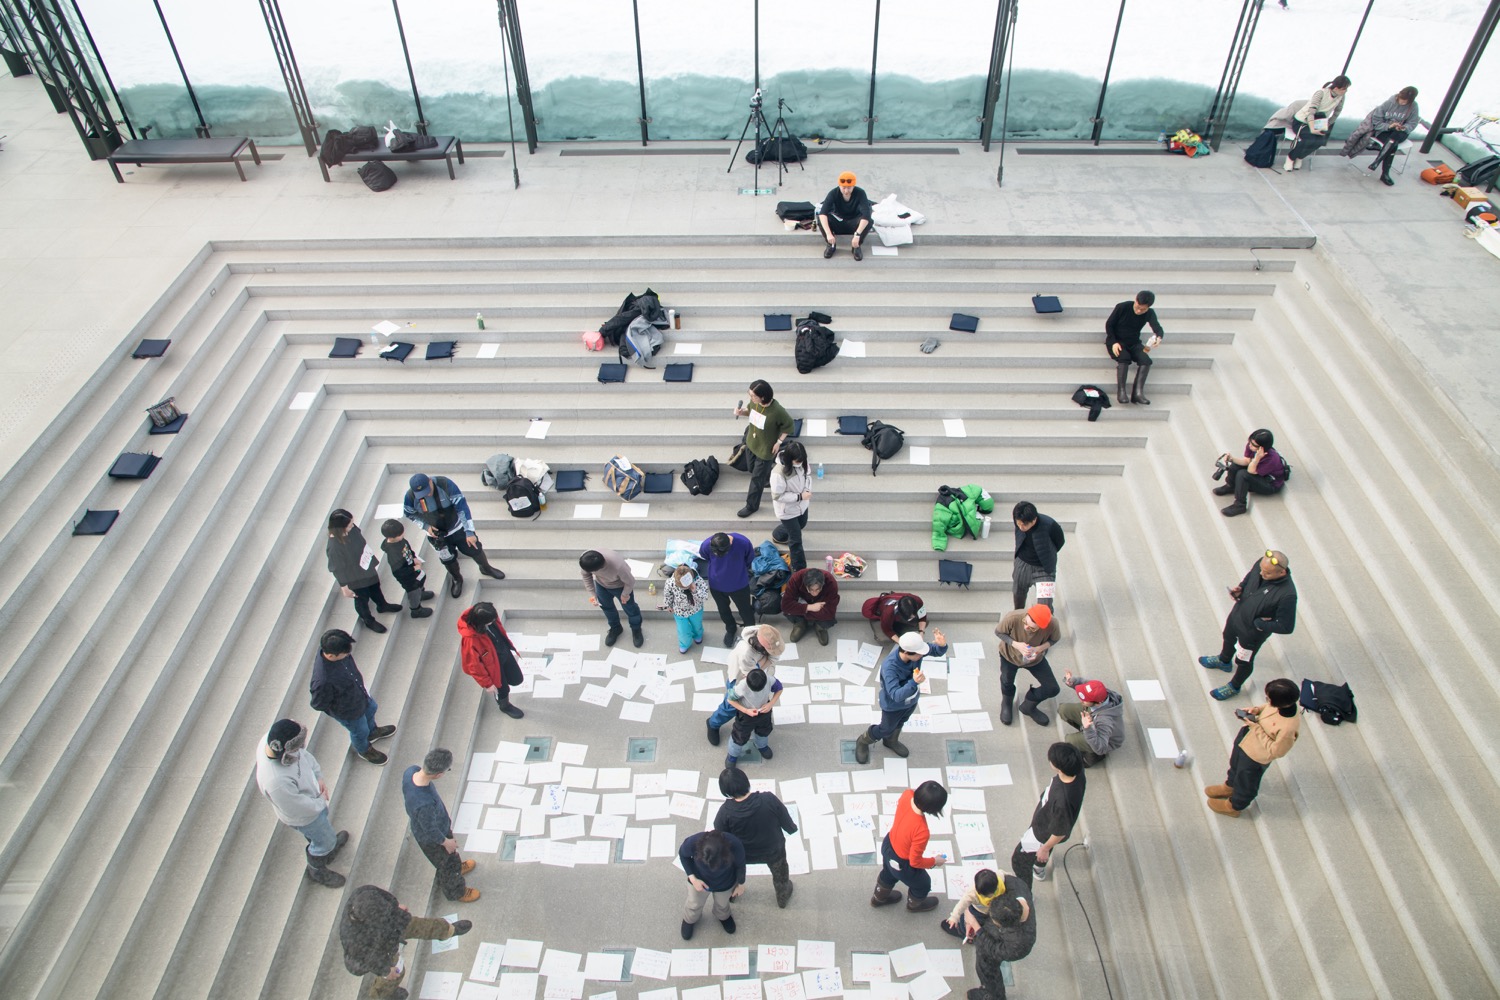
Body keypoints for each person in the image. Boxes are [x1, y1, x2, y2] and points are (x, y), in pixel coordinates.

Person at [254, 718, 349, 888]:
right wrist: (320, 803)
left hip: (313, 801)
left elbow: (304, 757)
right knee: (323, 839)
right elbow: (299, 807)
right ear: (284, 752)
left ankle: (326, 844)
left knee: (323, 834)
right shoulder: (276, 782)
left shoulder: (274, 742)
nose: (300, 750)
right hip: (306, 817)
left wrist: (318, 776)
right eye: (297, 748)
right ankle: (317, 867)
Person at [339, 884, 472, 1000]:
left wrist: (395, 907)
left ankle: (449, 930)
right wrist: (385, 970)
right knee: (396, 973)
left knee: (421, 925)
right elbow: (368, 959)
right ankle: (383, 995)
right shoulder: (353, 939)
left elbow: (386, 897)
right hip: (379, 949)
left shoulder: (364, 892)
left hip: (392, 923)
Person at [1199, 549, 1297, 700]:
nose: (1262, 574)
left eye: (1268, 573)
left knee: (1243, 661)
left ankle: (1234, 686)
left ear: (1282, 573)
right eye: (1262, 569)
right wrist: (1241, 588)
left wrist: (1260, 624)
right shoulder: (1261, 565)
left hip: (1252, 633)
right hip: (1237, 615)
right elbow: (1250, 576)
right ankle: (1224, 660)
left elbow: (1286, 627)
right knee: (1227, 636)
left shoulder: (1287, 595)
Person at [1206, 677, 1301, 816]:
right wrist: (1256, 710)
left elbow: (1277, 751)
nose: (1266, 700)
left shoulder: (1288, 728)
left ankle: (1234, 806)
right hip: (1246, 738)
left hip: (1256, 756)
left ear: (1280, 702)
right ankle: (1229, 786)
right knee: (1235, 764)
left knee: (1247, 781)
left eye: (1268, 698)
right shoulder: (1279, 705)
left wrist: (1256, 728)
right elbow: (1267, 707)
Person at [403, 472, 505, 599]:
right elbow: (409, 514)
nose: (426, 495)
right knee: (447, 558)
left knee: (475, 548)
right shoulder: (411, 497)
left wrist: (469, 531)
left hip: (457, 528)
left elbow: (462, 507)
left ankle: (486, 568)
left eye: (427, 491)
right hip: (437, 535)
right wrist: (426, 527)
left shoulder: (445, 485)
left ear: (430, 481)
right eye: (422, 494)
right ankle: (457, 579)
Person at [854, 629, 949, 765]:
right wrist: (914, 682)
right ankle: (863, 740)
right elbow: (896, 695)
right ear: (906, 652)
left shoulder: (916, 651)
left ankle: (891, 741)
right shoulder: (890, 667)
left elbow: (935, 651)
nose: (922, 656)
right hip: (893, 705)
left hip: (911, 699)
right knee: (886, 728)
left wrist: (942, 646)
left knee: (902, 721)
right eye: (919, 655)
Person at [402, 748, 480, 903]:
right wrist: (446, 842)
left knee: (451, 859)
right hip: (434, 840)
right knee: (447, 866)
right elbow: (430, 831)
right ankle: (456, 891)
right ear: (438, 774)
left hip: (439, 827)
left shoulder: (411, 771)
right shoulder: (423, 804)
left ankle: (456, 866)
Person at [714, 767, 798, 908]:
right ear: (746, 782)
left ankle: (733, 893)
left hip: (742, 854)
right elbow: (785, 819)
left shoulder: (725, 812)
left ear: (726, 791)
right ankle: (782, 897)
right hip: (773, 850)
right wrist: (791, 829)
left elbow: (721, 834)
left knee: (733, 874)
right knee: (780, 876)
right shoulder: (769, 799)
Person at [309, 629, 395, 765]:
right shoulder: (323, 680)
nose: (349, 654)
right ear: (331, 656)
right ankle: (364, 750)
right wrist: (342, 708)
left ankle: (373, 732)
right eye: (345, 654)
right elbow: (318, 703)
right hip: (349, 711)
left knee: (372, 709)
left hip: (360, 695)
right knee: (360, 731)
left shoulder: (337, 651)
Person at [1010, 742, 1085, 889]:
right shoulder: (1078, 772)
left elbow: (1059, 832)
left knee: (1019, 861)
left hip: (1043, 831)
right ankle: (1039, 866)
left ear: (1059, 767)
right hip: (1047, 818)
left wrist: (1044, 848)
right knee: (1043, 849)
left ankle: (1025, 894)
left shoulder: (1062, 802)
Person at [870, 780, 949, 912]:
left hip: (888, 846)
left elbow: (911, 791)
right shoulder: (921, 830)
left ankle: (878, 898)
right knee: (922, 884)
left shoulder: (907, 795)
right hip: (903, 863)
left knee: (888, 873)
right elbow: (915, 861)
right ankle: (915, 905)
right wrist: (935, 861)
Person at [706, 624, 784, 746]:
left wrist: (761, 663)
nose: (773, 653)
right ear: (761, 645)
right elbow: (752, 675)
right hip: (740, 678)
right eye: (770, 651)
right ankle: (713, 723)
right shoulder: (745, 652)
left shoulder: (770, 637)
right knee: (730, 707)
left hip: (759, 676)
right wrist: (764, 662)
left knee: (759, 701)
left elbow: (773, 659)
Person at [326, 509, 401, 634]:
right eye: (349, 524)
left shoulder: (351, 529)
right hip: (354, 577)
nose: (353, 525)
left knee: (375, 587)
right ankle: (368, 620)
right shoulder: (334, 547)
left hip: (366, 566)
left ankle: (382, 605)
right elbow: (337, 568)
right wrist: (344, 587)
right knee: (362, 598)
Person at [733, 380, 794, 518]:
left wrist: (779, 442)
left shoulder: (777, 411)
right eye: (750, 395)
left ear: (763, 397)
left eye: (753, 396)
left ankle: (751, 505)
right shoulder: (755, 402)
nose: (751, 398)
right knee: (750, 468)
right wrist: (741, 412)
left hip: (766, 450)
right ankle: (766, 478)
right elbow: (750, 411)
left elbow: (789, 425)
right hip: (752, 443)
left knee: (756, 479)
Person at [994, 604, 1062, 727]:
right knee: (1007, 681)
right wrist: (1016, 644)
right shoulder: (1013, 617)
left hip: (1035, 659)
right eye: (1026, 623)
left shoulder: (1053, 624)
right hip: (1010, 656)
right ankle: (1007, 702)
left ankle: (1029, 705)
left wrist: (1038, 649)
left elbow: (1054, 640)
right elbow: (999, 632)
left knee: (1053, 688)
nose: (1026, 627)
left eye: (1031, 628)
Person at [457, 601, 525, 718]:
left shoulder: (489, 615)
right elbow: (472, 665)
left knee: (517, 679)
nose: (494, 621)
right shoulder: (470, 640)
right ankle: (504, 705)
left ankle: (501, 685)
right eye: (490, 621)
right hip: (492, 666)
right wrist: (487, 683)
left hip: (504, 652)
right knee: (502, 689)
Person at [971, 881, 1036, 1000]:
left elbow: (994, 950)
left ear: (1003, 926)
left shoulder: (1020, 943)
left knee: (987, 964)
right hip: (1001, 932)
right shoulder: (1017, 886)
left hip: (1002, 946)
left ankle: (994, 995)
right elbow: (1002, 878)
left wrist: (977, 928)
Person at [1341, 87, 1420, 186]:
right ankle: (1385, 173)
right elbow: (1376, 121)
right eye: (1402, 100)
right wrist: (1389, 126)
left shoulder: (1413, 106)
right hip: (1384, 131)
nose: (1403, 103)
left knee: (1395, 137)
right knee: (1392, 145)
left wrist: (1404, 127)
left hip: (1400, 133)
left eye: (1406, 102)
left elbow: (1413, 123)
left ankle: (1377, 162)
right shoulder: (1388, 103)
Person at [678, 829, 746, 940]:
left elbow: (740, 864)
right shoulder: (693, 842)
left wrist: (741, 883)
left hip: (725, 882)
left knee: (722, 904)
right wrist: (693, 878)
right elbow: (683, 855)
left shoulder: (735, 844)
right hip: (699, 881)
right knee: (694, 903)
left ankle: (723, 916)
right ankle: (689, 919)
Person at [1104, 290, 1164, 406]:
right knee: (1124, 358)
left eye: (1143, 309)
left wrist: (1159, 337)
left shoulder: (1150, 313)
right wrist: (1114, 342)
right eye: (1138, 307)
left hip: (1134, 342)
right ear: (1135, 300)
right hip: (1118, 341)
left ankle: (1138, 393)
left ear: (1148, 307)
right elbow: (1109, 325)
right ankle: (1121, 392)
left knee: (1145, 360)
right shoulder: (1122, 307)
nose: (1139, 311)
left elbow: (1157, 327)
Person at [1213, 428, 1289, 517]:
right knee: (1235, 465)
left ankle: (1240, 505)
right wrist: (1232, 459)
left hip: (1270, 484)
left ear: (1262, 448)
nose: (1250, 445)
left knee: (1243, 475)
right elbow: (1246, 461)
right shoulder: (1251, 445)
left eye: (1254, 445)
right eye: (1250, 442)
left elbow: (1251, 471)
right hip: (1257, 473)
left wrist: (1257, 458)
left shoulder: (1271, 458)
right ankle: (1231, 486)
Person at [578, 548, 644, 648]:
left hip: (620, 587)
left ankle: (636, 629)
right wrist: (593, 594)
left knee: (630, 609)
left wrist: (625, 594)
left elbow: (630, 581)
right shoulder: (585, 560)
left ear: (600, 568)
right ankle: (616, 628)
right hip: (601, 585)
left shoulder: (618, 565)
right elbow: (586, 576)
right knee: (607, 608)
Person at [1283, 76, 1351, 172]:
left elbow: (1337, 112)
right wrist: (1312, 129)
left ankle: (1300, 157)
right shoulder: (1321, 93)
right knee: (1308, 138)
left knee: (1320, 141)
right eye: (1344, 89)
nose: (1346, 91)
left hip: (1319, 121)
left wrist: (1327, 123)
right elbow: (1311, 112)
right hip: (1302, 121)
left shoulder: (1341, 97)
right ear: (1336, 88)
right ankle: (1290, 158)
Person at [1058, 671, 1125, 767]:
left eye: (1085, 699)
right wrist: (1072, 682)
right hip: (1094, 714)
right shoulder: (1101, 692)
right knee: (1063, 710)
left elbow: (1101, 747)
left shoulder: (1105, 721)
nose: (1081, 700)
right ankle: (1083, 731)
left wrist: (1088, 728)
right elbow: (1086, 684)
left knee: (1070, 741)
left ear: (1098, 702)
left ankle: (1093, 757)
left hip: (1105, 741)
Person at [700, 531, 756, 646]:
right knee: (723, 610)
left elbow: (749, 558)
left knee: (746, 610)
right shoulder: (706, 545)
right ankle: (731, 629)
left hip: (739, 584)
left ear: (730, 543)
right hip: (717, 586)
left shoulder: (743, 542)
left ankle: (750, 632)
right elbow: (704, 555)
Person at [724, 667, 783, 768]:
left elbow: (779, 688)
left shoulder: (769, 679)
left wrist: (771, 704)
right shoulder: (741, 686)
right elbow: (730, 700)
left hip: (764, 711)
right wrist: (746, 711)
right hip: (746, 715)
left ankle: (762, 745)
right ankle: (732, 755)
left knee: (764, 731)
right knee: (739, 736)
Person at [378, 519, 435, 620]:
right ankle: (416, 610)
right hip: (408, 577)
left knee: (422, 578)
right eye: (400, 535)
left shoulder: (400, 540)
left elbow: (408, 548)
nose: (403, 535)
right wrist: (414, 568)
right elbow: (399, 572)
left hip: (412, 567)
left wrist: (414, 557)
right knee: (414, 592)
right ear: (391, 537)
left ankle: (421, 593)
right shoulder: (393, 555)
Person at [1011, 501, 1064, 611]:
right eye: (1018, 523)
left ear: (1034, 520)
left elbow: (1059, 541)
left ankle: (1046, 626)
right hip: (1022, 564)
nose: (1021, 527)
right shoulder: (1018, 522)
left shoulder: (1049, 524)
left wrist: (1047, 555)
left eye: (1024, 524)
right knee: (1018, 596)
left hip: (1044, 568)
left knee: (1045, 606)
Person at [769, 440, 812, 571]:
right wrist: (799, 496)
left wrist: (807, 490)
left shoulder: (802, 463)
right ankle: (800, 569)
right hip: (787, 510)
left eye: (801, 460)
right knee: (796, 540)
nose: (800, 463)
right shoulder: (778, 473)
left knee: (802, 524)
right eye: (797, 461)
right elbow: (777, 496)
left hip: (802, 505)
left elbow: (808, 476)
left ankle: (778, 534)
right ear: (789, 459)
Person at [818, 170, 874, 260]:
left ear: (853, 186)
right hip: (838, 220)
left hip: (854, 221)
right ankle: (831, 244)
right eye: (843, 188)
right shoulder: (833, 193)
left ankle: (856, 246)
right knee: (821, 220)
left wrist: (857, 235)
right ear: (839, 186)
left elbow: (866, 215)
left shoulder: (860, 193)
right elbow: (822, 213)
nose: (846, 191)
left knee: (869, 221)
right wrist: (828, 234)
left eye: (849, 188)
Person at [781, 566, 840, 646]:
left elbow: (830, 612)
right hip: (806, 603)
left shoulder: (831, 582)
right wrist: (809, 607)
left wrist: (801, 611)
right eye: (811, 590)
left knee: (828, 617)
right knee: (789, 610)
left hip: (820, 603)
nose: (814, 593)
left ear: (823, 585)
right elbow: (785, 606)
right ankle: (800, 624)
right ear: (805, 585)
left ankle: (820, 627)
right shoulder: (795, 579)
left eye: (818, 589)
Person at [941, 868, 1000, 940]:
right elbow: (962, 904)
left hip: (987, 911)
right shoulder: (972, 893)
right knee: (968, 922)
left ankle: (964, 933)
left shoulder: (1000, 877)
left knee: (966, 925)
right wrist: (954, 917)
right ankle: (968, 933)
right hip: (985, 910)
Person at [663, 563, 710, 654]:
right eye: (682, 587)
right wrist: (668, 605)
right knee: (682, 630)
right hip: (679, 611)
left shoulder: (698, 580)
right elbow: (667, 594)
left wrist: (695, 590)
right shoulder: (670, 582)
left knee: (697, 625)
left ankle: (698, 635)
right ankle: (684, 644)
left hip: (696, 609)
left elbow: (705, 596)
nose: (686, 588)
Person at [862, 592, 929, 641]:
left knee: (923, 623)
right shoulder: (888, 612)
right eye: (910, 616)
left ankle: (901, 630)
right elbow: (887, 630)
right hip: (886, 619)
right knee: (882, 637)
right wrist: (900, 643)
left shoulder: (917, 600)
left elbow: (922, 616)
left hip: (897, 618)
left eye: (913, 615)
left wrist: (921, 632)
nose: (912, 617)